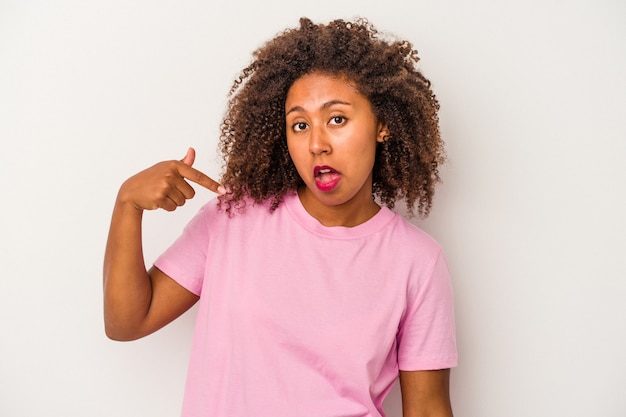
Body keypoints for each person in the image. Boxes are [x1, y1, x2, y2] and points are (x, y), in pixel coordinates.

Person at [103, 17, 457, 417]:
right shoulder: (232, 217)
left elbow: (427, 409)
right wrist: (127, 207)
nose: (317, 144)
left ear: (383, 126)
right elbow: (127, 322)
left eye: (337, 119)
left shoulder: (418, 261)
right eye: (300, 125)